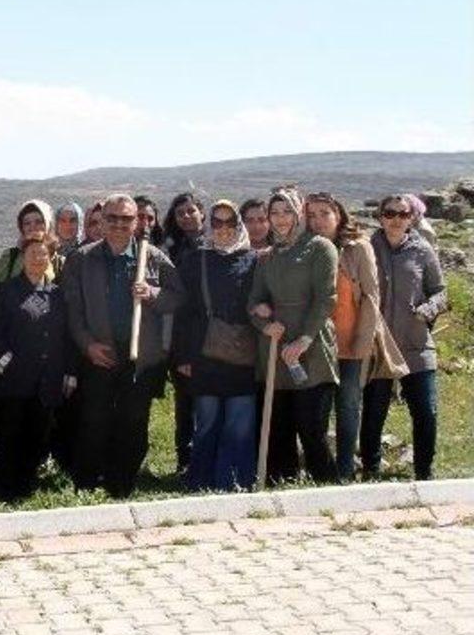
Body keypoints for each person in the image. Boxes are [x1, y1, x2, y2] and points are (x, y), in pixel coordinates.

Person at [63, 194, 184, 498]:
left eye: (126, 218)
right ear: (102, 221)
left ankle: (122, 485)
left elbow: (178, 297)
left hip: (138, 355)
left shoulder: (152, 257)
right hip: (98, 354)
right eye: (112, 218)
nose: (119, 224)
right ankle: (87, 484)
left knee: (133, 421)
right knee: (93, 419)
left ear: (136, 222)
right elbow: (73, 311)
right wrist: (88, 345)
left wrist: (152, 294)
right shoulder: (82, 259)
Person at [305, 192, 406, 481]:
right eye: (311, 215)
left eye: (325, 213)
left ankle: (345, 470)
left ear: (338, 214)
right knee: (317, 410)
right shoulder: (308, 248)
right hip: (318, 344)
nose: (318, 220)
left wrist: (363, 343)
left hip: (351, 341)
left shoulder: (358, 247)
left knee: (348, 407)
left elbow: (372, 297)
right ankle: (321, 470)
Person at [248, 186, 340, 484]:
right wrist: (264, 323)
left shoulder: (320, 247)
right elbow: (253, 303)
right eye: (274, 212)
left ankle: (326, 489)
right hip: (276, 350)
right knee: (279, 429)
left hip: (312, 347)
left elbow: (326, 298)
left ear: (299, 212)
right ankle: (281, 490)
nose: (281, 218)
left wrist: (304, 340)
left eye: (287, 211)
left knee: (311, 428)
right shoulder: (267, 257)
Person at [0, 233, 77, 500]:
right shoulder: (5, 291)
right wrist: (4, 360)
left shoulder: (59, 295)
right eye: (32, 253)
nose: (37, 258)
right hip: (13, 378)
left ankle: (25, 488)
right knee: (7, 434)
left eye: (43, 254)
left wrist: (70, 372)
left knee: (38, 435)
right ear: (23, 257)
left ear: (50, 258)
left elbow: (68, 337)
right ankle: (1, 490)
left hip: (48, 379)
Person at [173, 201, 259, 491]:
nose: (223, 229)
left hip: (242, 354)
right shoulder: (195, 260)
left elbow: (261, 299)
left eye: (229, 222)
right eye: (217, 222)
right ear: (209, 225)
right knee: (207, 422)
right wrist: (183, 356)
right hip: (203, 354)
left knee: (240, 422)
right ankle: (202, 481)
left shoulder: (253, 260)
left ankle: (234, 482)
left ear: (239, 225)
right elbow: (183, 312)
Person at [363, 194, 448, 480]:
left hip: (416, 344)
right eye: (390, 213)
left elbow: (440, 291)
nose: (396, 219)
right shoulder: (368, 248)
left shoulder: (423, 250)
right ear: (380, 217)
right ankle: (371, 471)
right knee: (373, 413)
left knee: (426, 412)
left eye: (403, 214)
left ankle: (424, 473)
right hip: (378, 346)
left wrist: (427, 310)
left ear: (412, 218)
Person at [161, 191, 208, 474]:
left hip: (212, 335)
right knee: (185, 403)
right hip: (181, 334)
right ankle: (185, 460)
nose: (187, 217)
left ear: (202, 212)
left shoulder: (216, 244)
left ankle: (206, 457)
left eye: (191, 211)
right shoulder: (172, 250)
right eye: (180, 213)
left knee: (208, 403)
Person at [0, 200, 62, 284]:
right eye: (27, 223)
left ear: (47, 224)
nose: (32, 226)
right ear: (21, 227)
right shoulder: (9, 257)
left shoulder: (59, 262)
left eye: (38, 222)